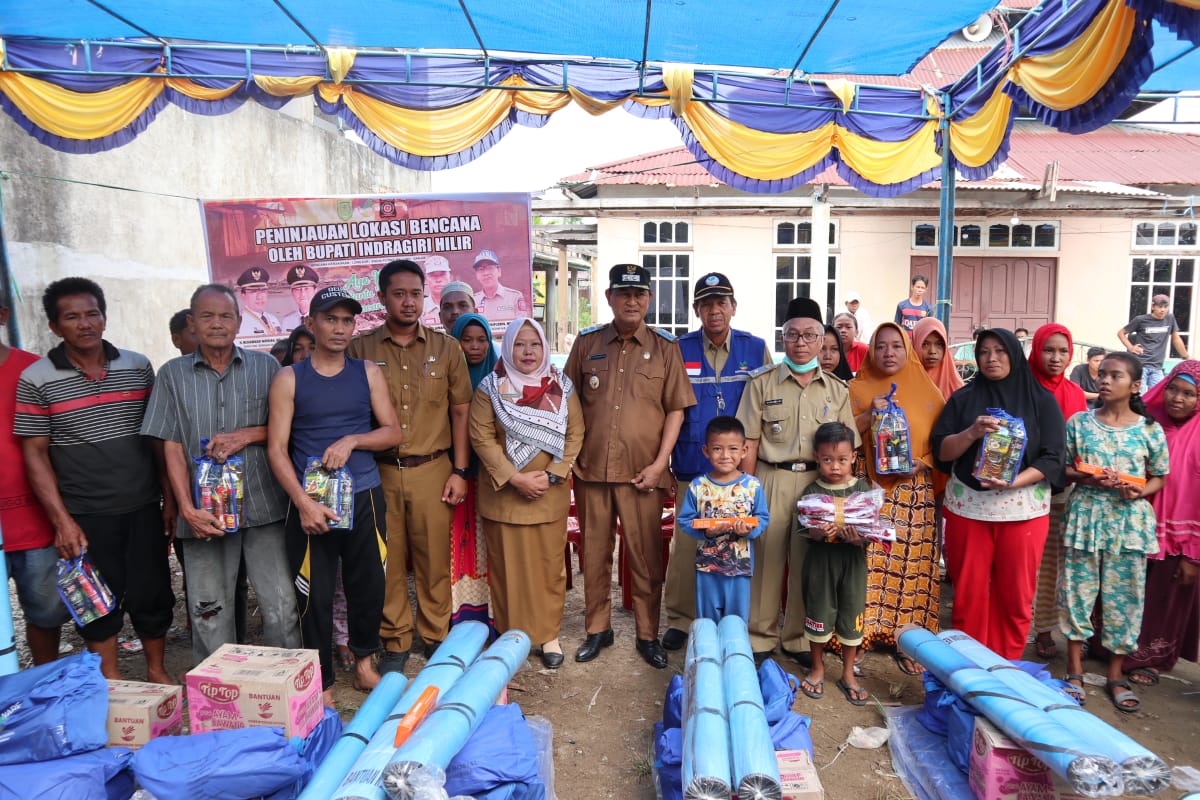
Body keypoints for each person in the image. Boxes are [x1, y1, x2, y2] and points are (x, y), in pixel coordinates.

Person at [16, 278, 174, 682]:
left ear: (104, 317)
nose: (84, 324)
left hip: (143, 506)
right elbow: (34, 454)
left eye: (92, 314)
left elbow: (156, 439)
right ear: (55, 326)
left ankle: (156, 670)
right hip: (85, 513)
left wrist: (169, 498)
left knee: (152, 593)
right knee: (95, 601)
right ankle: (112, 682)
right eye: (72, 317)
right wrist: (61, 522)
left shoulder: (137, 366)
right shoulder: (37, 378)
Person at [141, 284, 301, 664]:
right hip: (203, 515)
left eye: (226, 316)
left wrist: (247, 434)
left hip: (265, 507)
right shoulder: (172, 375)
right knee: (208, 609)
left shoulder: (266, 367)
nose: (217, 324)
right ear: (192, 322)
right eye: (207, 316)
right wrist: (186, 508)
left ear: (239, 320)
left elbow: (288, 428)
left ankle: (288, 685)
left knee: (282, 605)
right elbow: (172, 446)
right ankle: (219, 693)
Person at [267, 285, 401, 702]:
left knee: (369, 587)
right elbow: (276, 448)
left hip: (364, 496)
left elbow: (393, 432)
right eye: (330, 319)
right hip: (312, 504)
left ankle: (364, 664)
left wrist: (352, 441)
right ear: (311, 324)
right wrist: (303, 503)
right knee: (314, 594)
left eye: (347, 320)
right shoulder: (290, 378)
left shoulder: (368, 373)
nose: (340, 328)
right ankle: (321, 682)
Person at [565, 263, 696, 669]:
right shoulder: (587, 344)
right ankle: (597, 629)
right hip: (591, 472)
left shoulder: (664, 347)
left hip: (644, 474)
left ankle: (646, 633)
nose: (632, 301)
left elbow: (675, 410)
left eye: (640, 294)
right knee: (594, 555)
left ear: (649, 299)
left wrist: (660, 465)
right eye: (624, 294)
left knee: (645, 558)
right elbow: (566, 404)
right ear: (609, 298)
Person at [347, 259, 473, 674]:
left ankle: (436, 636)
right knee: (387, 560)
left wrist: (460, 470)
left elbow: (460, 413)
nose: (408, 302)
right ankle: (396, 640)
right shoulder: (360, 349)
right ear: (382, 298)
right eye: (398, 294)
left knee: (434, 560)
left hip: (433, 470)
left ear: (425, 297)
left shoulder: (446, 348)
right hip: (377, 472)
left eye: (416, 294)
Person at [736, 297, 858, 662]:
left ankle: (800, 640)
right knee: (766, 561)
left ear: (822, 340)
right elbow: (749, 444)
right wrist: (746, 493)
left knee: (810, 565)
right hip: (771, 479)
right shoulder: (762, 383)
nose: (800, 342)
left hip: (818, 487)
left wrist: (841, 500)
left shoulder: (836, 390)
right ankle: (759, 637)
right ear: (783, 338)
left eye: (809, 335)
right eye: (792, 335)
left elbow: (848, 446)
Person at [931, 328, 1066, 659]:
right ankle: (967, 670)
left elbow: (1053, 458)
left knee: (1015, 598)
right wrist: (972, 432)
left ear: (1015, 355)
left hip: (1023, 514)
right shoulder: (963, 399)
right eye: (984, 352)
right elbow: (942, 452)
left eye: (1000, 351)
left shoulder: (1041, 401)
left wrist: (1014, 481)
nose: (991, 358)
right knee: (969, 596)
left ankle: (1007, 669)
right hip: (968, 511)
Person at [662, 272, 771, 651]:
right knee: (689, 543)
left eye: (721, 302)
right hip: (693, 464)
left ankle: (737, 622)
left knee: (738, 542)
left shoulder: (755, 349)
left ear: (733, 307)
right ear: (696, 309)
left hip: (740, 472)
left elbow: (765, 407)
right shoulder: (678, 348)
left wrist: (751, 470)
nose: (714, 310)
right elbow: (667, 408)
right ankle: (680, 617)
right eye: (706, 303)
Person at [470, 317, 583, 669]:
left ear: (545, 347)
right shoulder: (490, 388)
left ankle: (548, 635)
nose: (528, 352)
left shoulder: (562, 386)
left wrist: (553, 473)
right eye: (519, 344)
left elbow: (575, 433)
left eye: (534, 343)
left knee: (549, 568)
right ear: (506, 348)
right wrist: (515, 478)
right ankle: (510, 637)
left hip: (548, 494)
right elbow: (481, 437)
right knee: (507, 570)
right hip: (504, 496)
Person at [1060, 352, 1168, 713]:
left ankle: (1115, 674)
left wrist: (1141, 490)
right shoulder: (1079, 423)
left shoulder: (1149, 429)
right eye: (1102, 374)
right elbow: (1064, 467)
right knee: (1078, 591)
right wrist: (1085, 476)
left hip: (1129, 521)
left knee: (1125, 598)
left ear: (1135, 385)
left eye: (1115, 375)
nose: (1104, 380)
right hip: (1085, 515)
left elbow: (1159, 475)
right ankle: (1073, 670)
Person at [849, 322, 945, 672]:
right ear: (871, 351)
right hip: (868, 486)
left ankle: (908, 639)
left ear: (908, 350)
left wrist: (923, 463)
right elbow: (840, 438)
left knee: (911, 564)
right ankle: (857, 635)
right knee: (866, 564)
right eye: (881, 346)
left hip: (913, 491)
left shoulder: (929, 393)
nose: (889, 353)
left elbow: (943, 447)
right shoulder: (855, 389)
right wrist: (867, 413)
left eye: (897, 346)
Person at [1111, 361, 1199, 684]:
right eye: (1173, 389)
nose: (1177, 398)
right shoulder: (1146, 422)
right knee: (1125, 590)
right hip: (1133, 523)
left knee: (1165, 597)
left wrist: (1195, 556)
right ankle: (1111, 649)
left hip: (1180, 538)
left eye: (1189, 394)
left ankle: (1150, 659)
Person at [1, 294, 71, 666]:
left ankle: (44, 680)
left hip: (33, 519)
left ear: (3, 315)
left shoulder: (34, 372)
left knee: (45, 612)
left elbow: (52, 446)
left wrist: (62, 519)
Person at [796, 422, 871, 705]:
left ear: (853, 456)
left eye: (842, 459)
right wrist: (817, 532)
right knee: (818, 612)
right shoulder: (811, 491)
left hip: (852, 563)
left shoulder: (862, 489)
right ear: (816, 457)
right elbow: (803, 529)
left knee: (852, 615)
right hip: (820, 564)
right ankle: (817, 667)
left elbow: (870, 530)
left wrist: (858, 538)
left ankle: (848, 673)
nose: (835, 467)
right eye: (828, 459)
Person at [1028, 323, 1089, 661]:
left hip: (1060, 491)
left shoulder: (1075, 393)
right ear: (1036, 350)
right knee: (1022, 560)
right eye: (1048, 350)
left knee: (1050, 563)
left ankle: (1044, 629)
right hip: (1020, 488)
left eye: (1062, 351)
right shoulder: (1021, 388)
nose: (1055, 358)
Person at [676, 416, 768, 625]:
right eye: (717, 449)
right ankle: (708, 656)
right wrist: (705, 532)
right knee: (707, 619)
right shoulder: (698, 486)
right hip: (707, 567)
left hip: (740, 567)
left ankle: (734, 654)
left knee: (736, 620)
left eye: (733, 449)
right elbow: (685, 520)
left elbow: (762, 518)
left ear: (744, 451)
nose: (726, 455)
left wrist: (747, 531)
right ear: (706, 451)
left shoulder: (752, 486)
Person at [449, 312, 499, 628]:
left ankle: (493, 615)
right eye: (466, 340)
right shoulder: (446, 375)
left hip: (493, 476)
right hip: (455, 474)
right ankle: (461, 616)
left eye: (482, 339)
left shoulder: (500, 377)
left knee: (489, 547)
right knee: (458, 545)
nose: (475, 346)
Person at [1118, 294, 1190, 389]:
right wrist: (1131, 347)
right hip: (1140, 365)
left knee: (1158, 396)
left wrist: (1186, 356)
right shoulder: (1141, 320)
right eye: (1160, 307)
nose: (1163, 310)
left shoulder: (1170, 319)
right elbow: (1121, 333)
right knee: (1140, 397)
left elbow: (1176, 339)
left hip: (1157, 366)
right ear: (1153, 307)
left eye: (1165, 307)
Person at [472, 249, 529, 326]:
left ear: (499, 271)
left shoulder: (514, 297)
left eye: (490, 268)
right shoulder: (473, 301)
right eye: (481, 269)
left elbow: (522, 326)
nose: (486, 273)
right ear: (477, 275)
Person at [912, 317, 963, 400]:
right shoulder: (902, 382)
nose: (932, 351)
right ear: (915, 344)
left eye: (939, 344)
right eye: (925, 344)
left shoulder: (956, 387)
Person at [236, 267, 282, 337]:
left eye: (263, 290)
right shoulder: (239, 323)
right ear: (243, 296)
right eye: (253, 291)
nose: (259, 297)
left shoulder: (273, 319)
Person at [280, 265, 319, 332]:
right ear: (292, 293)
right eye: (298, 289)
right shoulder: (287, 321)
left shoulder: (324, 318)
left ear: (315, 291)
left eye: (306, 289)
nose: (302, 294)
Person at [420, 256, 454, 328]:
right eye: (433, 275)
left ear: (450, 277)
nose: (438, 280)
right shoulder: (420, 307)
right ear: (426, 279)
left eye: (442, 274)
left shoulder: (461, 304)